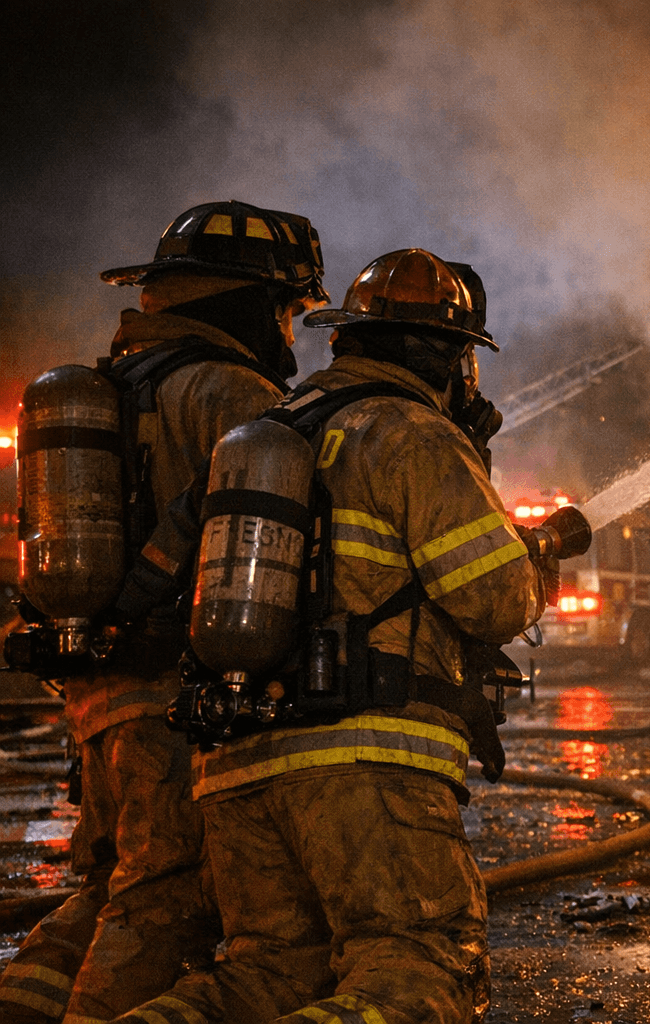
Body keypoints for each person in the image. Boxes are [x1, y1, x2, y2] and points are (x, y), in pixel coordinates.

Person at [111, 249, 548, 1024]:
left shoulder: (262, 432)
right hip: (367, 763)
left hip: (235, 764)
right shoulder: (411, 432)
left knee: (266, 978)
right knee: (417, 974)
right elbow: (495, 600)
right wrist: (532, 559)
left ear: (346, 339)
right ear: (450, 358)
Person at [0, 201, 325, 1024]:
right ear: (245, 302)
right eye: (288, 309)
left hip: (99, 693)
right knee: (165, 894)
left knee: (114, 883)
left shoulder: (104, 388)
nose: (290, 332)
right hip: (174, 698)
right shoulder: (231, 392)